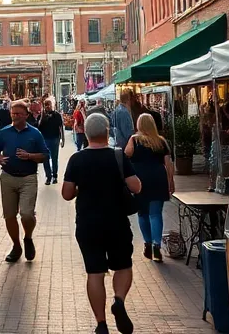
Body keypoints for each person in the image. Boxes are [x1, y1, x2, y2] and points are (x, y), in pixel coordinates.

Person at [62, 113, 141, 334]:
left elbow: (67, 194)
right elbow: (136, 187)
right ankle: (119, 300)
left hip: (88, 223)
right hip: (116, 221)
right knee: (123, 265)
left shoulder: (77, 159)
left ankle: (101, 323)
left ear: (86, 133)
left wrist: (82, 188)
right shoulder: (118, 156)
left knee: (95, 273)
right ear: (107, 132)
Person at [0, 100, 48, 263]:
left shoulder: (35, 133)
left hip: (28, 178)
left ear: (26, 115)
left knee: (27, 214)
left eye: (18, 114)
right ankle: (16, 246)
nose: (15, 116)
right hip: (8, 178)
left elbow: (45, 155)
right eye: (13, 113)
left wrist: (30, 156)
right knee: (9, 215)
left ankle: (28, 237)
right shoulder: (4, 132)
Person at [125, 112, 175, 263]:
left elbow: (126, 155)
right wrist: (170, 181)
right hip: (158, 177)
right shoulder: (161, 141)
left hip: (140, 179)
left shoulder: (134, 140)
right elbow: (168, 164)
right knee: (156, 214)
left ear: (139, 125)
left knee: (142, 213)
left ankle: (147, 242)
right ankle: (156, 245)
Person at [37, 97, 65, 184]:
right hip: (44, 140)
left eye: (49, 104)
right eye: (45, 105)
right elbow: (38, 128)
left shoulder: (57, 115)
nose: (47, 106)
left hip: (55, 139)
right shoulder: (41, 116)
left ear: (52, 105)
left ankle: (55, 176)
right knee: (45, 158)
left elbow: (61, 128)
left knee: (54, 158)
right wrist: (42, 116)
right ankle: (48, 177)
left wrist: (63, 139)